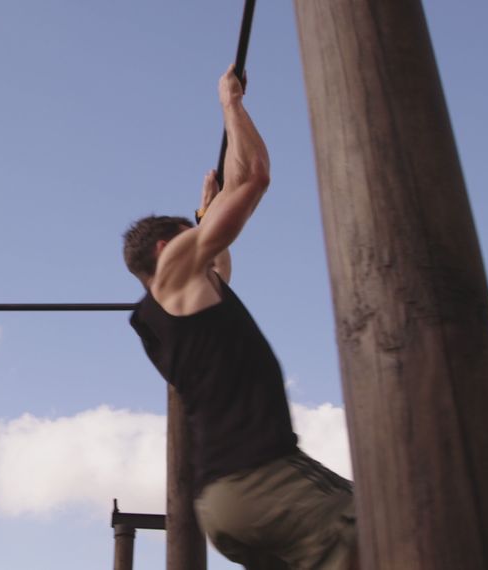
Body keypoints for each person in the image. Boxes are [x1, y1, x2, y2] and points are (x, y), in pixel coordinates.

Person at [123, 66, 357, 570]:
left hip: (230, 506)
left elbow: (225, 243)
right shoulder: (173, 278)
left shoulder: (177, 308)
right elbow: (252, 179)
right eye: (190, 239)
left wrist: (207, 212)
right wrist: (230, 104)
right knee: (399, 531)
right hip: (262, 479)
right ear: (167, 250)